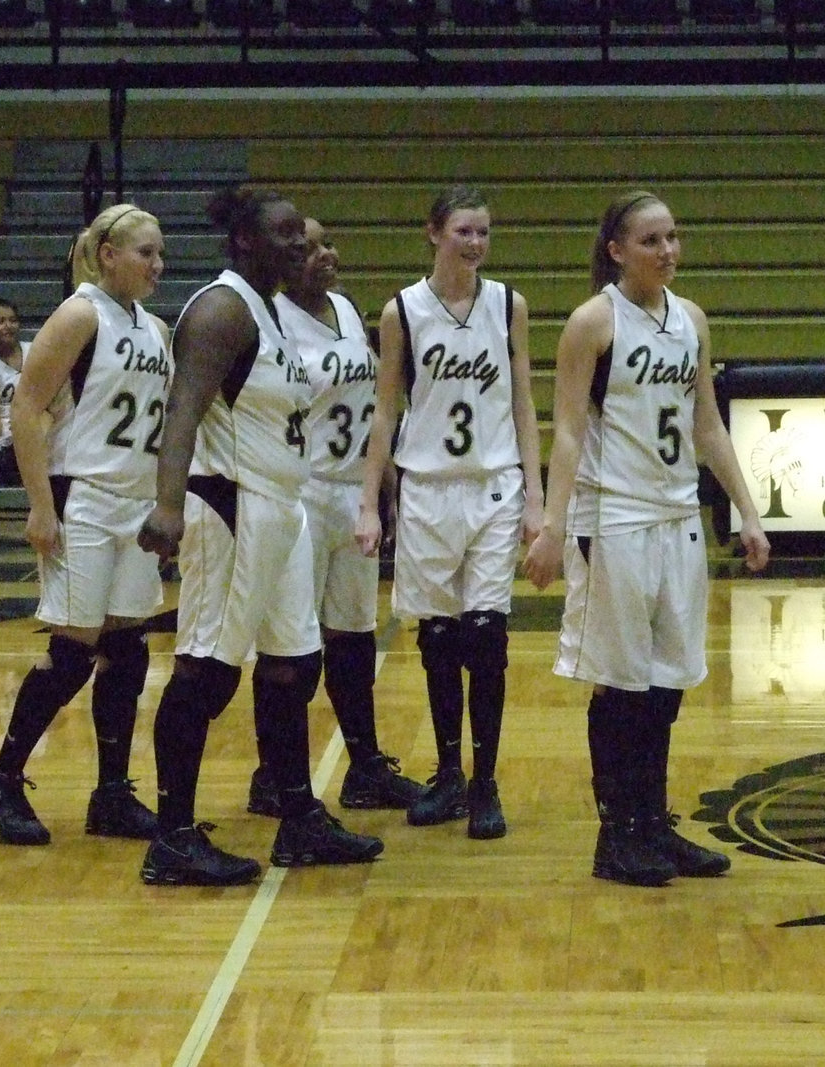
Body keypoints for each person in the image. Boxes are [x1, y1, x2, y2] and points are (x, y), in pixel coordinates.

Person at [523, 190, 771, 887]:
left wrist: (748, 512)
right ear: (617, 251)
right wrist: (552, 527)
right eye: (651, 240)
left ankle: (653, 822)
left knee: (667, 683)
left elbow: (708, 425)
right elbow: (568, 430)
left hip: (677, 515)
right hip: (614, 518)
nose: (667, 250)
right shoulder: (592, 323)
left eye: (673, 237)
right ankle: (618, 834)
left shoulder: (690, 319)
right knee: (622, 683)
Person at [136, 187, 383, 886]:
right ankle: (173, 835)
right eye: (284, 235)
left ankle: (298, 816)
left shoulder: (270, 309)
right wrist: (166, 506)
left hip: (283, 507)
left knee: (294, 663)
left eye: (301, 236)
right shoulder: (221, 309)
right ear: (245, 240)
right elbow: (183, 408)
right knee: (206, 671)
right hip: (231, 506)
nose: (299, 245)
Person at [355, 184, 544, 841]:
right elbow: (385, 410)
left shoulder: (508, 305)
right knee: (437, 639)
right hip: (427, 488)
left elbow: (523, 402)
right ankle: (450, 774)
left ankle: (487, 781)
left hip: (493, 484)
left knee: (487, 636)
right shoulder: (402, 311)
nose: (475, 243)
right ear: (434, 232)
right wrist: (369, 498)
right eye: (464, 230)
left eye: (483, 232)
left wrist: (537, 497)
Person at [0, 206, 171, 846]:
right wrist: (39, 504)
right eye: (145, 252)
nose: (157, 265)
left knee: (127, 645)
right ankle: (3, 778)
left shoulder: (154, 327)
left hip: (136, 500)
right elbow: (27, 408)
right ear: (109, 253)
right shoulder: (80, 312)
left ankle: (112, 794)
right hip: (83, 496)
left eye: (161, 254)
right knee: (72, 650)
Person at [245, 217, 423, 817]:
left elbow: (372, 403)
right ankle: (273, 775)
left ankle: (366, 765)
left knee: (352, 638)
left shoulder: (347, 310)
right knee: (291, 646)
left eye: (327, 243)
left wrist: (385, 474)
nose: (324, 254)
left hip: (351, 491)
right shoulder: (267, 318)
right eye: (310, 246)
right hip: (300, 491)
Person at [0, 297, 29, 487]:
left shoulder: (36, 352)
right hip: (6, 442)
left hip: (34, 431)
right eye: (0, 321)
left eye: (12, 320)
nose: (8, 326)